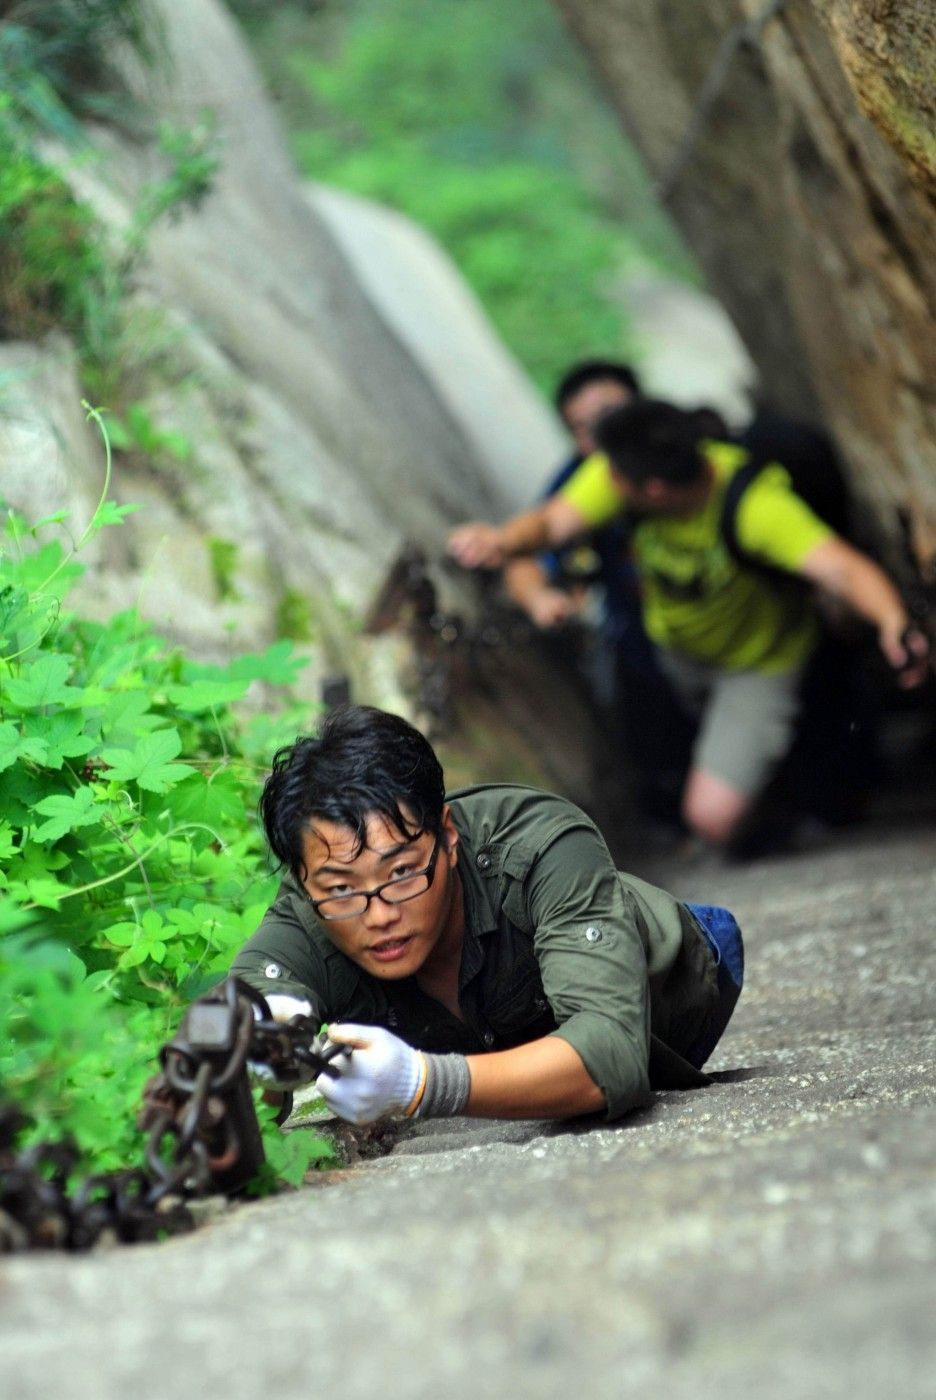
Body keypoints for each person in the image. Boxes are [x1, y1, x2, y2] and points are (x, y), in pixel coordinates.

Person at [231, 705, 744, 1127]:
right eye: (342, 888)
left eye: (403, 872)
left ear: (448, 835)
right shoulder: (313, 902)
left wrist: (422, 1083)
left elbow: (613, 1056)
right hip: (493, 1034)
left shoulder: (540, 844)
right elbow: (246, 1004)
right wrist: (268, 1048)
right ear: (304, 879)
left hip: (671, 978)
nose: (380, 913)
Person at [448, 399, 929, 850]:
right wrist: (502, 541)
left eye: (615, 476)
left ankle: (782, 805)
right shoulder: (624, 467)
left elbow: (842, 569)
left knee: (712, 818)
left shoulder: (755, 505)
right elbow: (552, 524)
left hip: (757, 664)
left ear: (653, 491)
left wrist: (892, 621)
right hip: (676, 655)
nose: (604, 478)